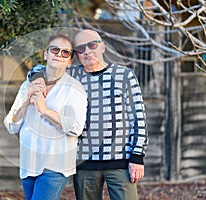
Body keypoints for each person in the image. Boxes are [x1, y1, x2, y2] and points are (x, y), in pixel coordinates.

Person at [27, 29, 148, 200]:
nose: (87, 51)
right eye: (81, 49)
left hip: (121, 162)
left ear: (102, 47)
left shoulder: (124, 75)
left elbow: (139, 119)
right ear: (76, 55)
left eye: (92, 45)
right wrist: (38, 78)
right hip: (83, 162)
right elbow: (39, 68)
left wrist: (137, 157)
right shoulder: (70, 75)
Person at [4, 34, 87, 200]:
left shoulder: (74, 89)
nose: (59, 54)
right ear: (45, 54)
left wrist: (43, 110)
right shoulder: (28, 85)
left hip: (55, 166)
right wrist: (26, 100)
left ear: (70, 61)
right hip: (29, 163)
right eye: (55, 50)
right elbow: (12, 125)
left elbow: (76, 128)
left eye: (65, 53)